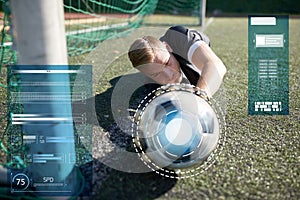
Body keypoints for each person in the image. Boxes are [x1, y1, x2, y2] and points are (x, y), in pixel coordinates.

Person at [128, 25, 226, 98]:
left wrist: (200, 96)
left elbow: (216, 66)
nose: (169, 75)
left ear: (167, 47)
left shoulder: (179, 39)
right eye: (157, 74)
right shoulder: (151, 83)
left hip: (188, 42)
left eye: (167, 63)